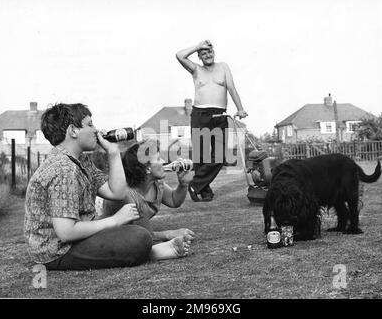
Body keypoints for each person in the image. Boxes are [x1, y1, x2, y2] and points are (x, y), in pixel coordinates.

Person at [24, 103, 190, 271]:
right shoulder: (62, 168)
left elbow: (117, 192)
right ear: (73, 131)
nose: (96, 130)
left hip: (77, 238)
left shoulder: (81, 161)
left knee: (137, 233)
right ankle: (153, 252)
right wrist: (114, 220)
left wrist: (113, 153)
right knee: (139, 237)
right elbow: (66, 232)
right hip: (56, 251)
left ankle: (149, 249)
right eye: (90, 124)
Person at [176, 40, 248, 202]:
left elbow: (232, 88)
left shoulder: (223, 67)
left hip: (219, 115)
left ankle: (195, 184)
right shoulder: (196, 69)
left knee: (220, 155)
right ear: (199, 56)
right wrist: (198, 45)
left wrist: (240, 108)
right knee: (201, 157)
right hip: (199, 115)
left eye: (210, 52)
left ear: (214, 53)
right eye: (203, 53)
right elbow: (179, 55)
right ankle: (204, 191)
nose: (207, 55)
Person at [100, 142, 196, 246]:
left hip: (132, 229)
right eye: (159, 159)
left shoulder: (156, 183)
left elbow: (173, 200)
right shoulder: (127, 195)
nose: (164, 162)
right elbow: (144, 235)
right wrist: (169, 234)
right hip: (103, 232)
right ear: (147, 168)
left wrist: (183, 184)